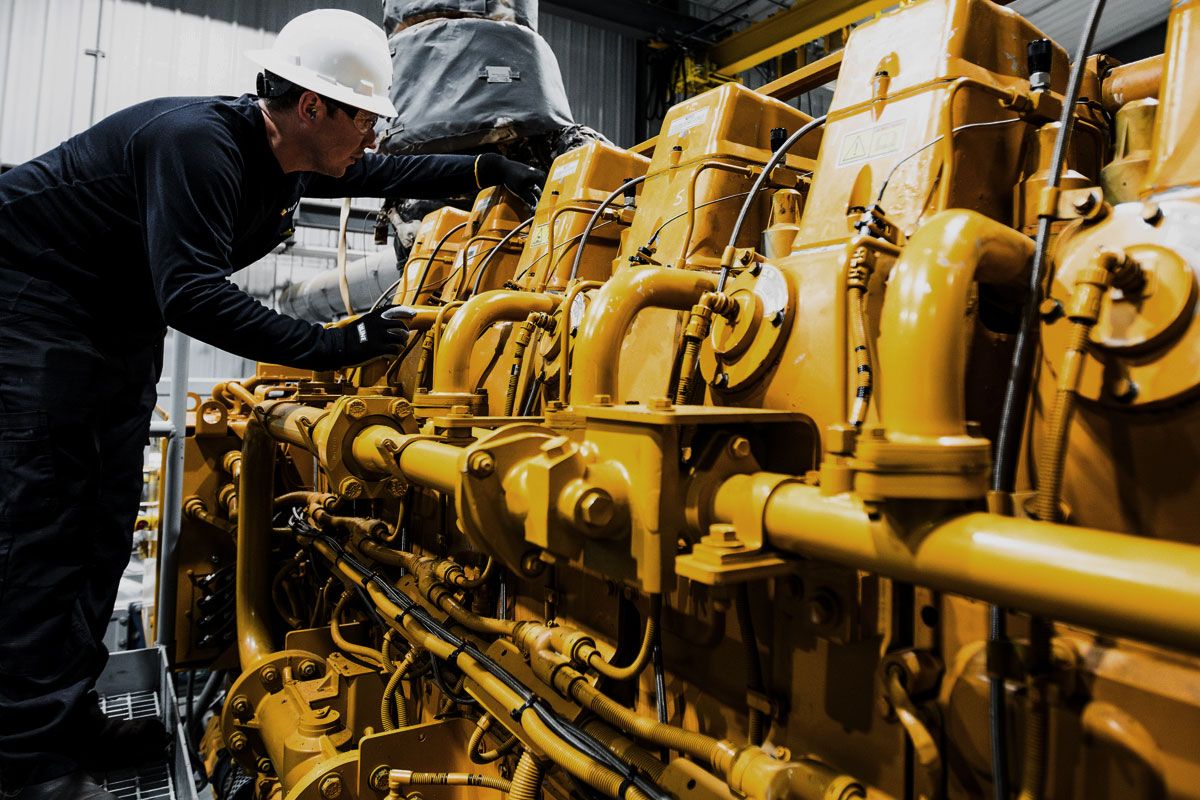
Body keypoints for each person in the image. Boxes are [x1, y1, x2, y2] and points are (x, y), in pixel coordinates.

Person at [0, 8, 545, 799]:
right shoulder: (200, 145)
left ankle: (68, 717)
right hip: (35, 314)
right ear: (313, 108)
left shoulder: (286, 153)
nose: (374, 137)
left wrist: (483, 173)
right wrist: (343, 343)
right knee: (41, 535)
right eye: (364, 117)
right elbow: (189, 292)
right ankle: (28, 768)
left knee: (99, 528)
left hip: (113, 327)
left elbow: (378, 173)